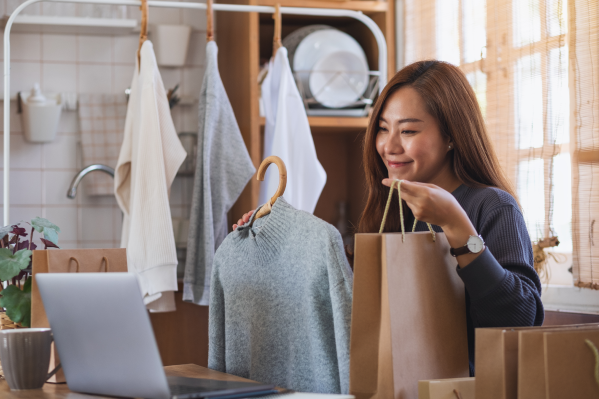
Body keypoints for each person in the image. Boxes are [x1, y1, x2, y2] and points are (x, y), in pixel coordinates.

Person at [233, 60, 544, 375]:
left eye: (408, 130)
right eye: (383, 128)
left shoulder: (492, 206)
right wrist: (277, 245)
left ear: (452, 135)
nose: (389, 146)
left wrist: (455, 224)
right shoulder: (392, 208)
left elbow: (519, 322)